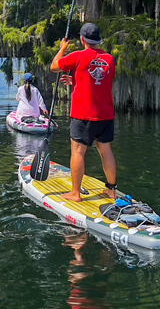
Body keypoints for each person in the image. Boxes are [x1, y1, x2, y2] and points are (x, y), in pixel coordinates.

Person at [50, 22, 117, 202]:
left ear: (82, 39)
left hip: (83, 115)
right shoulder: (109, 59)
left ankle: (75, 193)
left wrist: (62, 48)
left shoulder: (78, 56)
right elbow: (100, 80)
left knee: (78, 151)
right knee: (106, 150)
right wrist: (76, 80)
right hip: (105, 115)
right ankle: (111, 190)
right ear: (98, 40)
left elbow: (54, 66)